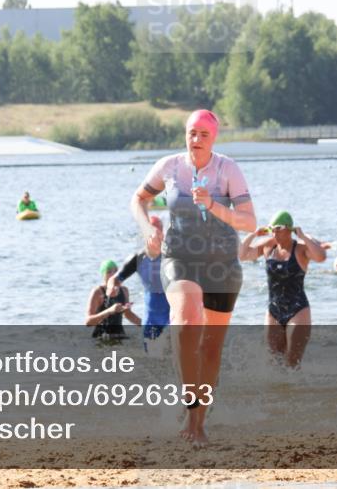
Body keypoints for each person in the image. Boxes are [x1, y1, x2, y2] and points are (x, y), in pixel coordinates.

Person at [131, 109, 256, 446]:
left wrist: (215, 205)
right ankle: (190, 412)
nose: (196, 139)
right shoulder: (169, 167)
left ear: (214, 138)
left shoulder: (228, 170)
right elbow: (138, 199)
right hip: (180, 258)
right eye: (191, 133)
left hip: (221, 266)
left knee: (212, 349)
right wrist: (147, 229)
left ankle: (199, 421)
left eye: (203, 134)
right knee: (185, 323)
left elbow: (249, 223)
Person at [239, 211, 326, 368]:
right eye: (272, 229)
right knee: (274, 363)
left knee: (292, 363)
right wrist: (253, 234)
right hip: (274, 311)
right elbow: (242, 255)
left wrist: (304, 236)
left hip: (298, 310)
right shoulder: (268, 247)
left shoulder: (300, 249)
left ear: (289, 229)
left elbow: (321, 256)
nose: (274, 232)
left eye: (278, 228)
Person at [107, 215, 171, 352]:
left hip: (173, 315)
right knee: (152, 361)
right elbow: (115, 279)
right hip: (151, 318)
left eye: (158, 230)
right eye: (152, 231)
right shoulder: (138, 258)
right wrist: (112, 287)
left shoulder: (174, 254)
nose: (155, 235)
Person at [86, 260, 141, 340]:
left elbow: (128, 314)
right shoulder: (98, 292)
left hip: (119, 335)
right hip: (101, 337)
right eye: (108, 272)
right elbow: (88, 322)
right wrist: (109, 311)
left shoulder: (124, 290)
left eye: (115, 271)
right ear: (103, 275)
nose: (112, 275)